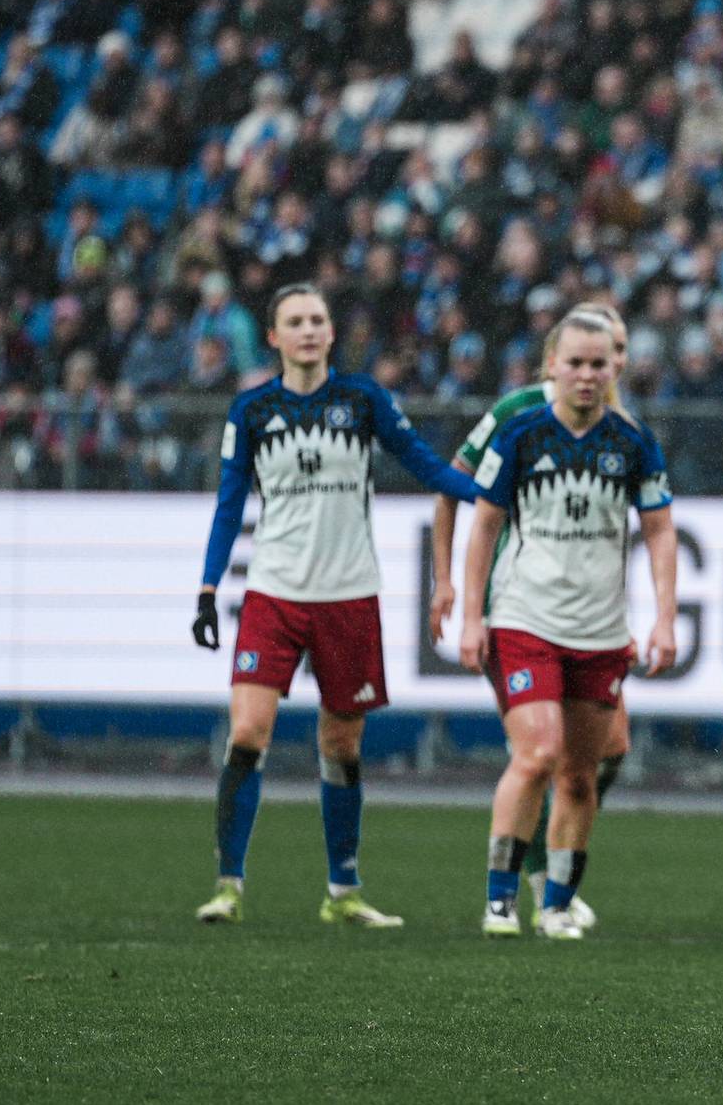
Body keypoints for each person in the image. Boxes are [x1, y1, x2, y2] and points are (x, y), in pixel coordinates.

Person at [191, 282, 480, 926]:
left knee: (342, 745)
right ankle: (228, 885)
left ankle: (342, 891)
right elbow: (229, 504)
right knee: (247, 732)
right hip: (274, 594)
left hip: (349, 596)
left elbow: (427, 467)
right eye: (295, 321)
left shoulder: (364, 399)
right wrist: (209, 590)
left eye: (318, 319)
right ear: (273, 337)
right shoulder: (251, 410)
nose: (309, 330)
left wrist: (490, 490)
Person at [459, 309, 677, 940]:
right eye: (575, 363)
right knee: (537, 752)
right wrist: (472, 615)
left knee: (582, 774)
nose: (586, 375)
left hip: (601, 632)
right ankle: (500, 897)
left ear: (615, 368)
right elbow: (485, 528)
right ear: (551, 365)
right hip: (525, 619)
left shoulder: (632, 442)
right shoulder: (521, 433)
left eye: (598, 364)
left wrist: (663, 619)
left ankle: (555, 902)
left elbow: (660, 530)